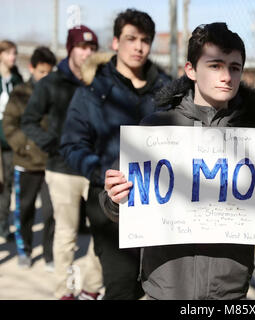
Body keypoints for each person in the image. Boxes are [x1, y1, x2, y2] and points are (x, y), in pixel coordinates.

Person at [99, 22, 255, 300]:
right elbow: (115, 207)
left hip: (229, 289)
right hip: (165, 286)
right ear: (191, 70)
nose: (227, 76)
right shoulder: (154, 130)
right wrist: (115, 197)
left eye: (234, 67)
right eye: (215, 65)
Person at [59, 9, 171, 300]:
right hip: (109, 203)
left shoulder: (167, 90)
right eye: (131, 38)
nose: (138, 47)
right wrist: (103, 174)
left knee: (143, 284)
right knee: (121, 283)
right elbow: (71, 145)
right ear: (115, 42)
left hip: (159, 201)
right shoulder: (93, 90)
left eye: (145, 40)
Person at [21, 25, 103, 300]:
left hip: (97, 169)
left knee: (103, 235)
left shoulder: (102, 81)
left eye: (92, 47)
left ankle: (91, 290)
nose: (87, 52)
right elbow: (28, 121)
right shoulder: (51, 83)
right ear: (70, 49)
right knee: (65, 235)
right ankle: (63, 293)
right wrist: (54, 145)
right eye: (82, 46)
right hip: (62, 169)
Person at [3, 46, 56, 269]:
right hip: (25, 164)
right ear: (32, 68)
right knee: (24, 210)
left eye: (49, 72)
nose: (45, 76)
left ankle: (49, 254)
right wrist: (22, 146)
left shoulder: (57, 93)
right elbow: (9, 124)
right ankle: (24, 249)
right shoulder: (20, 93)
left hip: (52, 164)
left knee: (51, 212)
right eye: (41, 72)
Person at [0, 40, 23, 244]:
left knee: (7, 184)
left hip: (10, 143)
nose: (12, 57)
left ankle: (3, 225)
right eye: (8, 53)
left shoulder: (17, 80)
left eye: (14, 53)